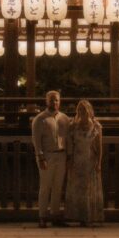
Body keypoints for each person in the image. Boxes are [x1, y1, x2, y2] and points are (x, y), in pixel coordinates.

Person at [31, 90, 69, 228]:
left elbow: (68, 138)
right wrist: (40, 156)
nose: (54, 102)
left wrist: (69, 156)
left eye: (57, 100)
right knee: (45, 186)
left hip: (62, 154)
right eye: (52, 100)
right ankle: (42, 216)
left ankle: (55, 215)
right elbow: (36, 140)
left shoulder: (65, 118)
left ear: (60, 101)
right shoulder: (40, 119)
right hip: (47, 155)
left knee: (58, 187)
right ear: (46, 101)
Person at [65, 99, 104, 226]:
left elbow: (99, 147)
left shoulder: (96, 126)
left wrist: (99, 163)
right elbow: (69, 144)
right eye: (79, 110)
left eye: (84, 110)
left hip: (89, 158)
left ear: (89, 111)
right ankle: (76, 215)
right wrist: (69, 159)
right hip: (77, 158)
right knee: (77, 188)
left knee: (89, 188)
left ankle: (89, 216)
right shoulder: (73, 126)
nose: (82, 112)